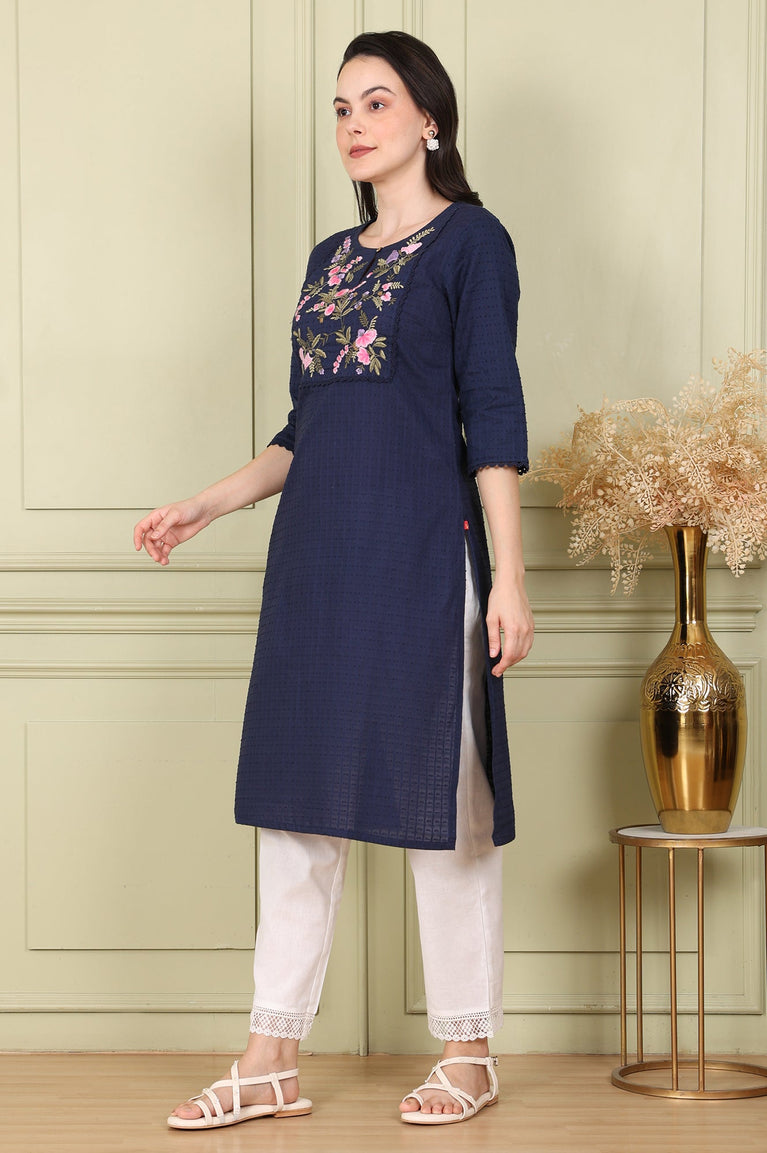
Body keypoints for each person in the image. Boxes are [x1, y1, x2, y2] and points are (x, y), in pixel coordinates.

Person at [134, 29, 534, 1130]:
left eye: (378, 101)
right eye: (342, 108)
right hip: (316, 559)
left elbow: (492, 417)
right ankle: (270, 1055)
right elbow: (305, 427)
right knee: (296, 805)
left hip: (424, 553)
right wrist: (208, 503)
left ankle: (467, 1051)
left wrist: (507, 578)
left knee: (445, 799)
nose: (354, 124)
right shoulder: (329, 260)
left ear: (429, 118)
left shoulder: (472, 244)